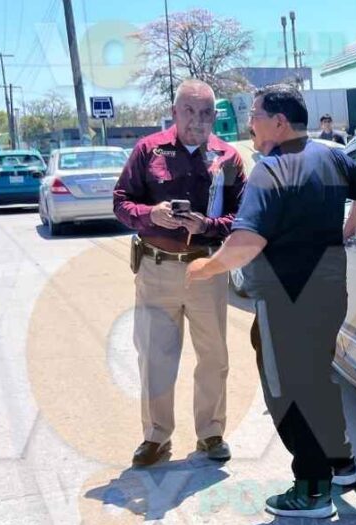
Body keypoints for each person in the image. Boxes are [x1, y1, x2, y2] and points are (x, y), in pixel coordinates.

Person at [186, 84, 356, 518]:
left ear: (278, 121)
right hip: (330, 291)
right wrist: (343, 233)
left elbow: (247, 241)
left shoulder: (270, 170)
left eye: (254, 113)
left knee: (286, 389)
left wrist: (207, 268)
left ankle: (311, 488)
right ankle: (340, 462)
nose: (248, 121)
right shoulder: (332, 154)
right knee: (318, 378)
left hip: (286, 298)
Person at [113, 79, 247, 468]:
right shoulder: (147, 150)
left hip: (207, 268)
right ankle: (156, 437)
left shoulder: (228, 158)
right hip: (156, 268)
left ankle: (211, 433)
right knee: (155, 357)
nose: (198, 120)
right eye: (189, 111)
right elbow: (121, 202)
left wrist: (207, 224)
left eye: (206, 113)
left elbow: (241, 215)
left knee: (213, 356)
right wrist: (149, 214)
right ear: (174, 113)